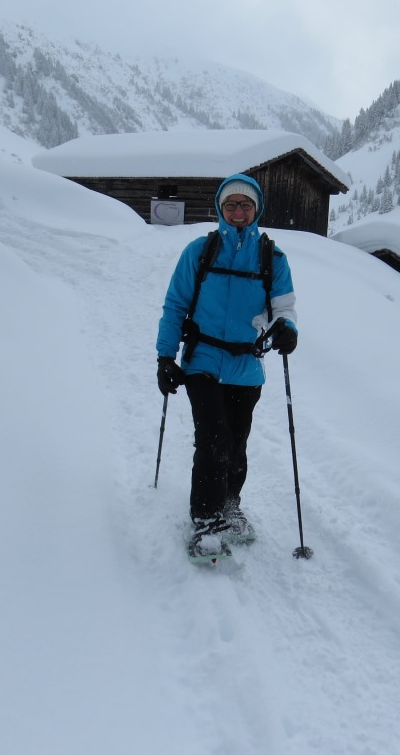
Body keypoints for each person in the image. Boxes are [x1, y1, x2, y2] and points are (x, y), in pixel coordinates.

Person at [155, 174, 298, 555]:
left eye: (245, 205)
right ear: (220, 208)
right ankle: (206, 518)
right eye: (231, 204)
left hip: (246, 365)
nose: (238, 211)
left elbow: (284, 308)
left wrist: (287, 329)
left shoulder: (272, 258)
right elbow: (175, 305)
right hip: (202, 360)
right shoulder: (199, 252)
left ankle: (230, 504)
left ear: (256, 210)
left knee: (236, 441)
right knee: (213, 438)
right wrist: (165, 357)